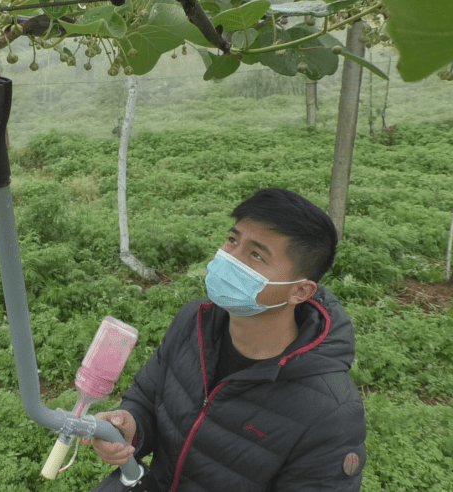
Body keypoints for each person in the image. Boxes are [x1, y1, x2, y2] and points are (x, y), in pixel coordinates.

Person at [84, 188, 367, 491]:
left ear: (299, 291)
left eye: (256, 254)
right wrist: (131, 427)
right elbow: (147, 397)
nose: (230, 258)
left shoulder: (331, 413)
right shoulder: (194, 321)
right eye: (233, 240)